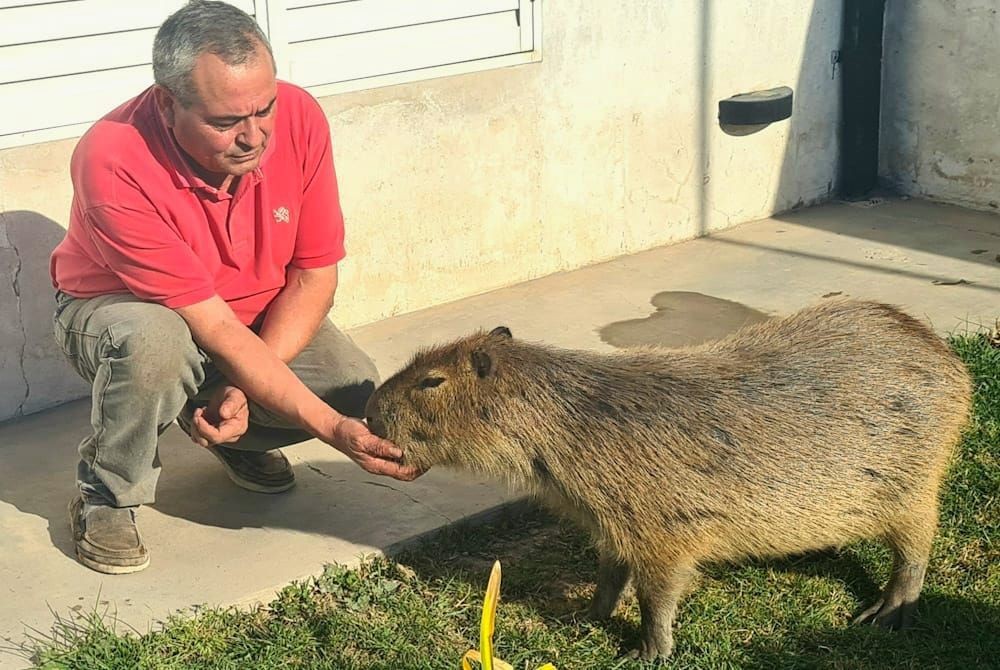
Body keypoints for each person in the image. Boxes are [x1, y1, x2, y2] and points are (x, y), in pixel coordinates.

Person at [49, 0, 422, 575]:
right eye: (226, 123)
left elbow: (313, 275)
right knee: (156, 344)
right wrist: (331, 433)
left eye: (263, 109)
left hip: (242, 316)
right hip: (121, 313)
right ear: (168, 103)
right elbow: (213, 326)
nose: (254, 137)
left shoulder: (299, 117)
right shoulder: (113, 158)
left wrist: (251, 390)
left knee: (350, 391)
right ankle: (106, 494)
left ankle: (228, 434)